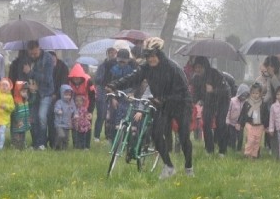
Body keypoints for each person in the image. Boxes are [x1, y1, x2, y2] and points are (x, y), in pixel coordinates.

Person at [108, 37, 194, 179]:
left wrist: (164, 99)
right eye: (148, 57)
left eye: (153, 56)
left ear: (159, 54)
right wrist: (115, 85)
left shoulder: (173, 69)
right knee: (156, 133)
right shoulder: (146, 68)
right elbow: (132, 78)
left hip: (181, 104)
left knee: (184, 136)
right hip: (161, 104)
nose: (151, 60)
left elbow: (182, 92)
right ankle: (168, 166)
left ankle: (189, 167)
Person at [190, 56, 231, 156]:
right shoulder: (195, 78)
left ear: (205, 66)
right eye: (196, 67)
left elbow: (225, 90)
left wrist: (213, 90)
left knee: (220, 123)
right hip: (208, 102)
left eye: (200, 67)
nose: (198, 70)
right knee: (206, 123)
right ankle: (209, 149)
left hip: (222, 101)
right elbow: (196, 94)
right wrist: (195, 101)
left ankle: (222, 150)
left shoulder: (215, 74)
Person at [24, 41, 54, 150]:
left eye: (35, 54)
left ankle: (42, 143)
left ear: (39, 48)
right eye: (31, 54)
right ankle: (35, 143)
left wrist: (31, 73)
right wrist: (28, 86)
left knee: (42, 116)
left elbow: (47, 78)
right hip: (31, 93)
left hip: (45, 92)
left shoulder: (48, 59)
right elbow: (23, 76)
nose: (33, 56)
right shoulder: (26, 59)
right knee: (33, 118)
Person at [93, 47, 120, 142]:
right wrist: (105, 79)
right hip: (102, 90)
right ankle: (96, 135)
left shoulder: (117, 66)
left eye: (114, 53)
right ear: (107, 54)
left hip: (113, 90)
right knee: (102, 114)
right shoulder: (102, 65)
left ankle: (108, 135)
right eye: (110, 53)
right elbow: (97, 79)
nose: (112, 54)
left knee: (112, 113)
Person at [239, 83, 270, 159]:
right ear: (250, 93)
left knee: (257, 141)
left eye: (257, 93)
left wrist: (267, 126)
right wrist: (240, 123)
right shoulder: (247, 103)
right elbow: (243, 114)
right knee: (250, 139)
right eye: (253, 93)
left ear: (260, 93)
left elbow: (266, 115)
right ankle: (247, 154)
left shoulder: (263, 104)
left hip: (259, 125)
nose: (255, 95)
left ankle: (254, 155)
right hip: (249, 124)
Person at [53, 84, 77, 150]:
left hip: (67, 124)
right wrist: (58, 111)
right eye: (66, 95)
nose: (68, 97)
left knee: (66, 138)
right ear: (62, 94)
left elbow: (74, 109)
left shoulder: (71, 102)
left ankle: (64, 149)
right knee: (61, 135)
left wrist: (75, 114)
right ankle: (57, 146)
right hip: (59, 123)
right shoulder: (59, 102)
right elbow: (56, 109)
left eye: (69, 95)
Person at [226, 84, 249, 152]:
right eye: (243, 95)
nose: (244, 97)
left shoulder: (245, 103)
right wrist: (227, 119)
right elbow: (228, 110)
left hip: (240, 123)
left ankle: (239, 149)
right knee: (232, 137)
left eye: (245, 96)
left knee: (240, 137)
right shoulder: (232, 101)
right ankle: (232, 148)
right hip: (231, 123)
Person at [11, 82, 31, 150]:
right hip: (18, 122)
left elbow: (32, 101)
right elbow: (14, 112)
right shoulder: (15, 101)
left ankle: (21, 146)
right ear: (18, 91)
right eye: (23, 91)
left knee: (23, 134)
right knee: (16, 134)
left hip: (24, 121)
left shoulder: (26, 100)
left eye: (26, 91)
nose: (25, 93)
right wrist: (17, 120)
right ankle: (15, 147)